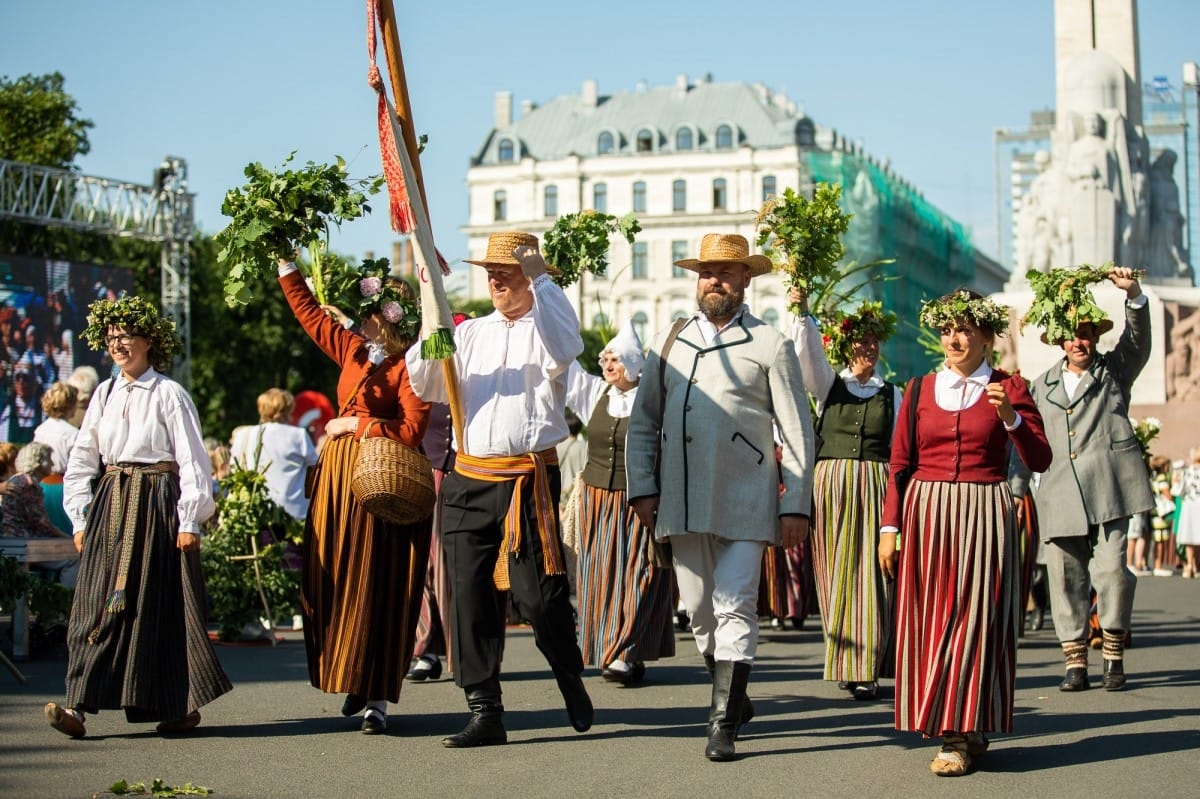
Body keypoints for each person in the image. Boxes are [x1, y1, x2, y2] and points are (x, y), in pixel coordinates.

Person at [626, 233, 816, 762]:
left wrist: (796, 501)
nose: (715, 280)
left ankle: (721, 725)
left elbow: (798, 432)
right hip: (682, 499)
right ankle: (732, 696)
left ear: (746, 279)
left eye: (727, 271)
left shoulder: (770, 343)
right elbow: (643, 425)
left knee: (735, 602)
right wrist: (643, 486)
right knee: (699, 610)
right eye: (707, 271)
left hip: (746, 497)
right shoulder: (670, 340)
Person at [405, 230, 592, 748]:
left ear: (528, 277)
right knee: (466, 594)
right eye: (489, 272)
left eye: (504, 272)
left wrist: (542, 278)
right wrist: (430, 323)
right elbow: (426, 383)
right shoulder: (467, 334)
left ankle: (566, 672)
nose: (493, 280)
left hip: (528, 480)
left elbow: (568, 345)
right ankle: (485, 710)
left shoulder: (546, 327)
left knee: (538, 597)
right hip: (469, 476)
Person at [879, 290, 1051, 776]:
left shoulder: (1009, 386)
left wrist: (1011, 417)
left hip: (983, 509)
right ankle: (957, 728)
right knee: (934, 622)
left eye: (966, 330)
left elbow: (1040, 458)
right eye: (947, 329)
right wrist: (889, 527)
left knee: (976, 621)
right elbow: (900, 465)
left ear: (987, 337)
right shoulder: (917, 390)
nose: (954, 338)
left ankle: (960, 732)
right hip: (927, 512)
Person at [46, 295, 231, 739]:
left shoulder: (169, 393)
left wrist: (189, 520)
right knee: (94, 604)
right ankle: (77, 707)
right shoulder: (105, 394)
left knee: (157, 606)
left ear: (149, 341)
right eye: (111, 337)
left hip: (156, 502)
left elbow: (193, 460)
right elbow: (83, 459)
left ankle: (177, 707)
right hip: (112, 504)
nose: (117, 343)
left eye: (126, 335)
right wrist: (79, 517)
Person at [278, 256, 432, 735]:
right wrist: (287, 266)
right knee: (330, 583)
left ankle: (378, 697)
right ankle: (351, 673)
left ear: (390, 317)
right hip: (336, 485)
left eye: (373, 309)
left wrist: (355, 424)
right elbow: (307, 312)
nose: (363, 315)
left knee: (377, 587)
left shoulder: (412, 367)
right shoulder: (353, 351)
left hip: (380, 488)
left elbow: (411, 430)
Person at [1028, 266, 1152, 693]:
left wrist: (1132, 293)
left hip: (1112, 488)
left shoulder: (1114, 371)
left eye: (1086, 333)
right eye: (1071, 333)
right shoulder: (1039, 386)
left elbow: (1137, 343)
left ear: (1095, 337)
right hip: (1059, 493)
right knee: (1065, 578)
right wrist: (1014, 488)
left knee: (1113, 572)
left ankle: (1113, 653)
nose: (1079, 341)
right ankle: (1075, 661)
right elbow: (1025, 440)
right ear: (1059, 340)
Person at [790, 293, 899, 701]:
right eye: (861, 342)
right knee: (834, 572)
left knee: (870, 575)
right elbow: (806, 356)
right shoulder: (828, 385)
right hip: (831, 485)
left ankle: (867, 667)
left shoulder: (894, 394)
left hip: (874, 482)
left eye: (873, 342)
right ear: (846, 346)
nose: (868, 348)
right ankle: (845, 661)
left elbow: (902, 447)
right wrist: (802, 313)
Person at [565, 322, 676, 685]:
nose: (609, 365)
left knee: (639, 575)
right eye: (606, 359)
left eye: (616, 359)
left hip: (640, 499)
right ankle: (610, 648)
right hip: (597, 498)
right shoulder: (595, 393)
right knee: (599, 575)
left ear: (633, 363)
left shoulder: (653, 400)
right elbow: (563, 363)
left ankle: (626, 650)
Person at [230, 388, 318, 522]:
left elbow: (234, 468)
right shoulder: (298, 435)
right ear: (287, 409)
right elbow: (316, 468)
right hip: (294, 511)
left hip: (255, 509)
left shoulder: (245, 435)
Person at [0, 441, 78, 585]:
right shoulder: (29, 485)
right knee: (73, 556)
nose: (53, 464)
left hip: (15, 541)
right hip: (20, 544)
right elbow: (42, 523)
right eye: (49, 459)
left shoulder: (17, 480)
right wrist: (69, 538)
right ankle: (63, 599)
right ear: (39, 462)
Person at [33, 382, 80, 475]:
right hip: (63, 482)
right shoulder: (73, 433)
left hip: (41, 481)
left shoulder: (40, 430)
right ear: (70, 405)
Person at [1172, 447, 1200, 579]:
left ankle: (1189, 565)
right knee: (1198, 537)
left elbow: (1178, 491)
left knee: (1190, 537)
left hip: (1189, 505)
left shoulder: (1186, 472)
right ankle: (1196, 565)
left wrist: (1175, 483)